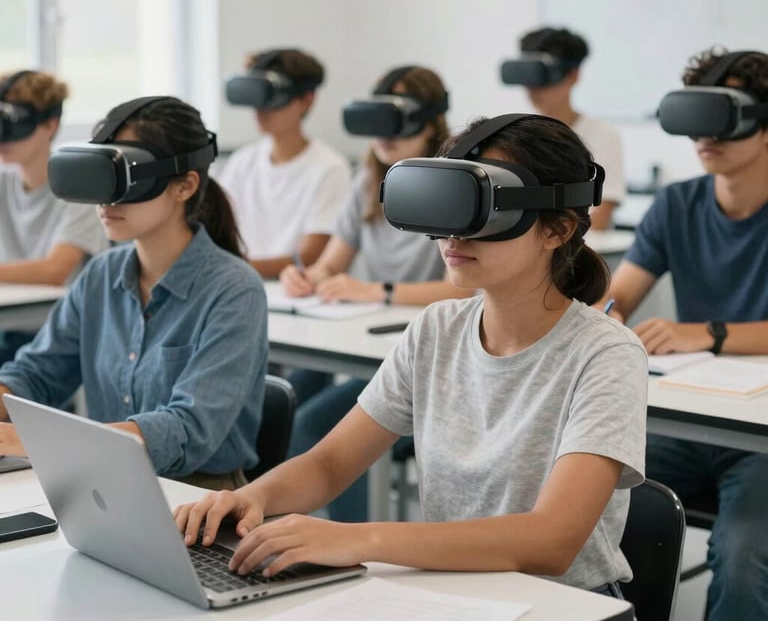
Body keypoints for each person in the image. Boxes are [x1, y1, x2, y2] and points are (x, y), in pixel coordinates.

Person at [175, 113, 647, 597]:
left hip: (564, 604)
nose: (453, 237)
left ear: (557, 229)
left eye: (481, 212)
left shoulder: (605, 353)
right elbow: (329, 465)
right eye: (447, 210)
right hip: (454, 591)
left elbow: (552, 541)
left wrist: (358, 539)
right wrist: (248, 498)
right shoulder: (435, 330)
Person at [0, 96, 268, 491]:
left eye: (127, 180)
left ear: (184, 186)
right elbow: (37, 374)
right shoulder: (100, 275)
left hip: (201, 498)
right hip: (107, 481)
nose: (107, 201)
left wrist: (53, 441)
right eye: (101, 178)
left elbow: (188, 428)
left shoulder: (234, 290)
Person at [605, 47, 768, 621]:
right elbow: (616, 295)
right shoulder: (677, 204)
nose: (705, 136)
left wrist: (708, 333)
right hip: (684, 416)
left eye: (721, 119)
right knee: (578, 507)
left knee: (743, 567)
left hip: (761, 439)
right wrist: (606, 316)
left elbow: (701, 334)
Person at [279, 65, 474, 522]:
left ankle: (352, 545)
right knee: (286, 399)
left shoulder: (455, 188)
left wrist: (378, 290)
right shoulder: (368, 184)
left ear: (430, 121)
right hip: (371, 345)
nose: (383, 136)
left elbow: (463, 290)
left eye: (397, 120)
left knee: (314, 422)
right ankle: (273, 526)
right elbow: (331, 262)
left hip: (429, 359)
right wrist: (307, 276)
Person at [0, 69, 108, 362]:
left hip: (58, 335)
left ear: (51, 122)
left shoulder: (78, 188)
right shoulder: (2, 183)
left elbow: (55, 271)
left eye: (15, 121)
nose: (3, 135)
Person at [218, 48, 351, 278]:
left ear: (306, 100)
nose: (260, 109)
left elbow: (311, 257)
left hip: (292, 292)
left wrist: (230, 269)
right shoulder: (241, 163)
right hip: (235, 285)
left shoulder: (330, 168)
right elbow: (216, 231)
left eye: (272, 98)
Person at [507, 26, 625, 230]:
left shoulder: (603, 136)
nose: (534, 88)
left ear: (572, 75)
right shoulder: (511, 134)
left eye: (544, 77)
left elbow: (601, 215)